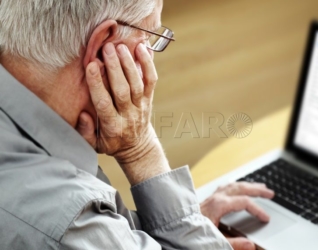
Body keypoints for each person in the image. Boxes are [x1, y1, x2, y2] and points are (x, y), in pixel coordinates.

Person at [0, 1, 274, 249]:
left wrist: (181, 223)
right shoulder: (71, 226)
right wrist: (140, 149)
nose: (151, 58)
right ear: (104, 46)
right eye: (150, 38)